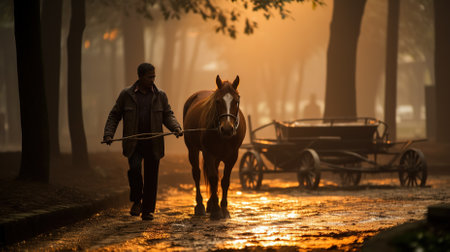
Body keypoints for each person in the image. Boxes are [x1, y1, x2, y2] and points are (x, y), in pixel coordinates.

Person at [103, 63, 183, 220]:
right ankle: (137, 200)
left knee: (151, 177)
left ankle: (147, 211)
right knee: (134, 169)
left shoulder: (160, 95)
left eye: (154, 77)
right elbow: (114, 115)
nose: (153, 80)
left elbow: (168, 115)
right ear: (140, 77)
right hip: (134, 142)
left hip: (154, 142)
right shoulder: (126, 95)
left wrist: (176, 128)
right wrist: (108, 134)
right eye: (149, 77)